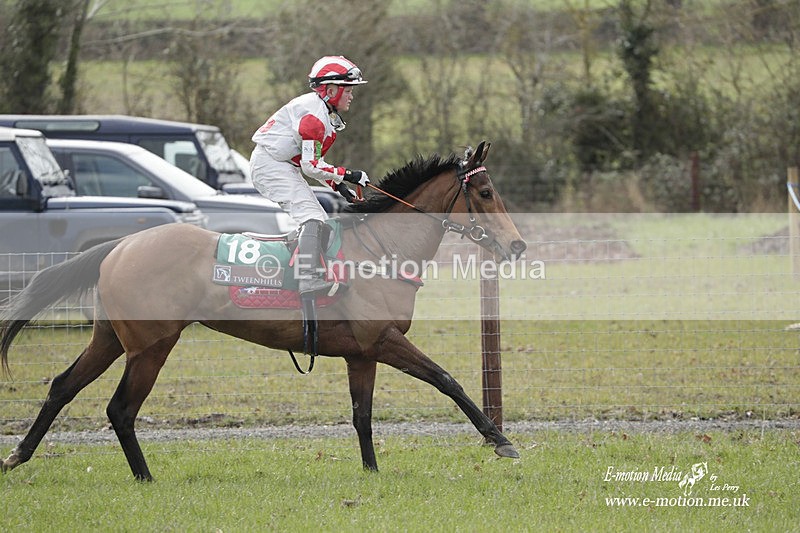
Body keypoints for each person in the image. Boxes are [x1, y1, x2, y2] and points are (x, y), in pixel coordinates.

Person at [250, 55, 370, 296]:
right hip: (270, 165)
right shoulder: (314, 118)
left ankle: (308, 270)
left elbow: (315, 164)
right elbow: (310, 167)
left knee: (318, 218)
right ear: (331, 90)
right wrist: (349, 175)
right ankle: (307, 278)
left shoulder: (322, 112)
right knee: (312, 217)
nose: (352, 96)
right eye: (348, 90)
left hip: (280, 164)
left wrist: (340, 187)